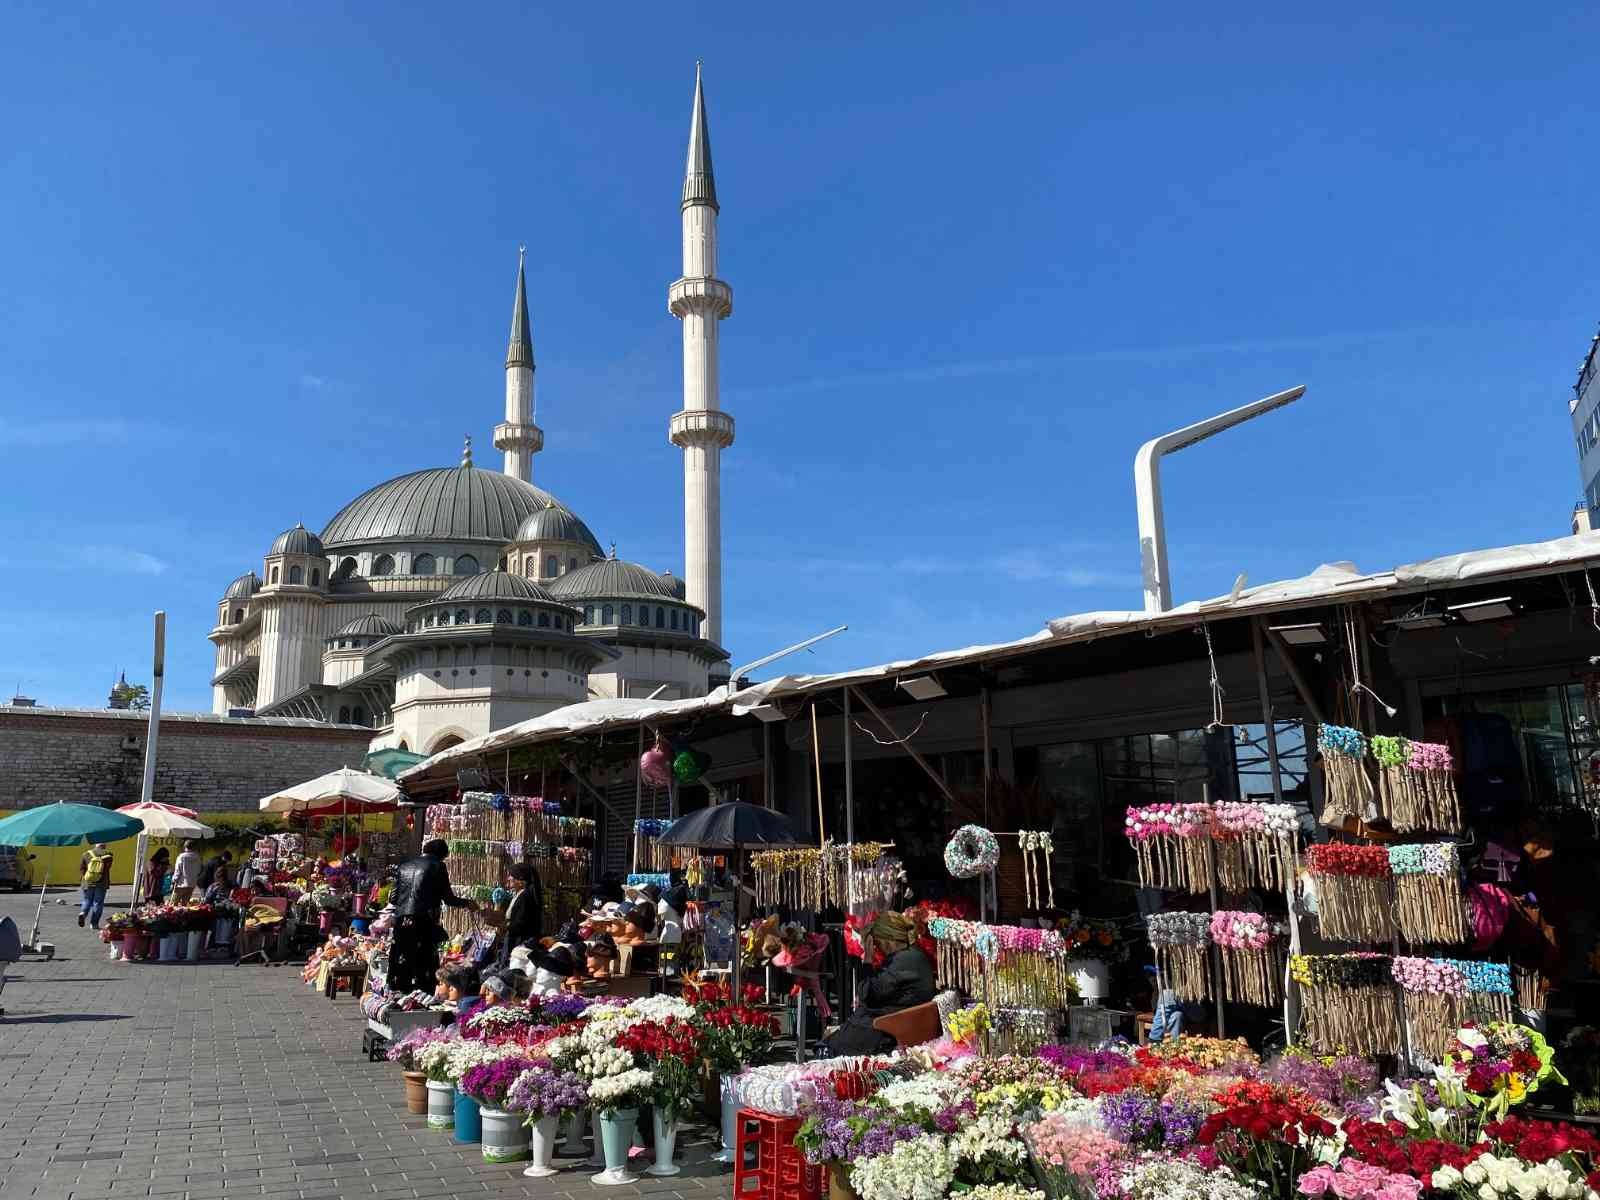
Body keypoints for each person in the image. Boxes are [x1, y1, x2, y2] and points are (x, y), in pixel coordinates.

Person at [820, 911, 935, 1057]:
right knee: (832, 1039)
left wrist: (867, 959)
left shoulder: (900, 962)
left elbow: (866, 994)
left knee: (826, 1047)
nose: (876, 947)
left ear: (887, 940)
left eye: (876, 942)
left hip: (884, 1032)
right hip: (895, 1023)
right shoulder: (914, 956)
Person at [389, 840, 478, 993]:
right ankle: (423, 995)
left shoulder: (404, 865)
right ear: (442, 854)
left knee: (402, 959)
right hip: (423, 921)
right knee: (425, 962)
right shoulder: (437, 866)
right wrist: (467, 903)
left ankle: (400, 992)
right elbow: (448, 898)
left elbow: (393, 897)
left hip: (401, 920)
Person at [496, 863, 544, 970]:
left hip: (519, 943)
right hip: (516, 941)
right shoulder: (520, 895)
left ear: (520, 880)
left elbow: (521, 924)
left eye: (511, 875)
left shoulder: (525, 897)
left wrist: (504, 926)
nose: (509, 878)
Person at [78, 843, 114, 929]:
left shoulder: (86, 854)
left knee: (87, 900)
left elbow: (82, 868)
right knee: (98, 903)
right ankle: (94, 924)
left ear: (95, 844)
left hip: (87, 882)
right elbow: (108, 868)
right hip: (102, 883)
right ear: (104, 845)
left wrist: (87, 877)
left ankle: (83, 913)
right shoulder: (108, 855)